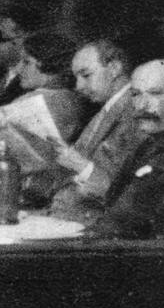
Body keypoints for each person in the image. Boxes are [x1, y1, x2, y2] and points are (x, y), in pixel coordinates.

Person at [35, 39, 144, 216]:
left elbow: (123, 188)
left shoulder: (133, 110)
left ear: (114, 69)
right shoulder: (109, 107)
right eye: (76, 77)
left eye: (86, 75)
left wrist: (78, 163)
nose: (78, 86)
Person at [88, 59, 164, 238]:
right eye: (136, 94)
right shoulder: (148, 145)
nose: (143, 105)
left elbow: (124, 220)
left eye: (155, 93)